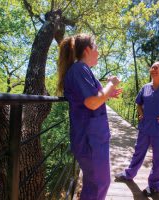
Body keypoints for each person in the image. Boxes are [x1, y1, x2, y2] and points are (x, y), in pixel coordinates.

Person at [57, 33, 122, 200]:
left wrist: (108, 94)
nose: (98, 52)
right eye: (97, 48)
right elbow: (92, 103)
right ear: (87, 49)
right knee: (99, 184)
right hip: (90, 140)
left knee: (94, 183)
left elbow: (97, 97)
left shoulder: (83, 70)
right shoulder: (79, 69)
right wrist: (111, 83)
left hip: (93, 138)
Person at [115, 61, 159, 196]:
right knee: (138, 152)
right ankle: (129, 174)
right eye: (152, 67)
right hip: (145, 128)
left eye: (157, 68)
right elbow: (139, 103)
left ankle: (154, 186)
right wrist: (140, 114)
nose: (153, 69)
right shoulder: (145, 88)